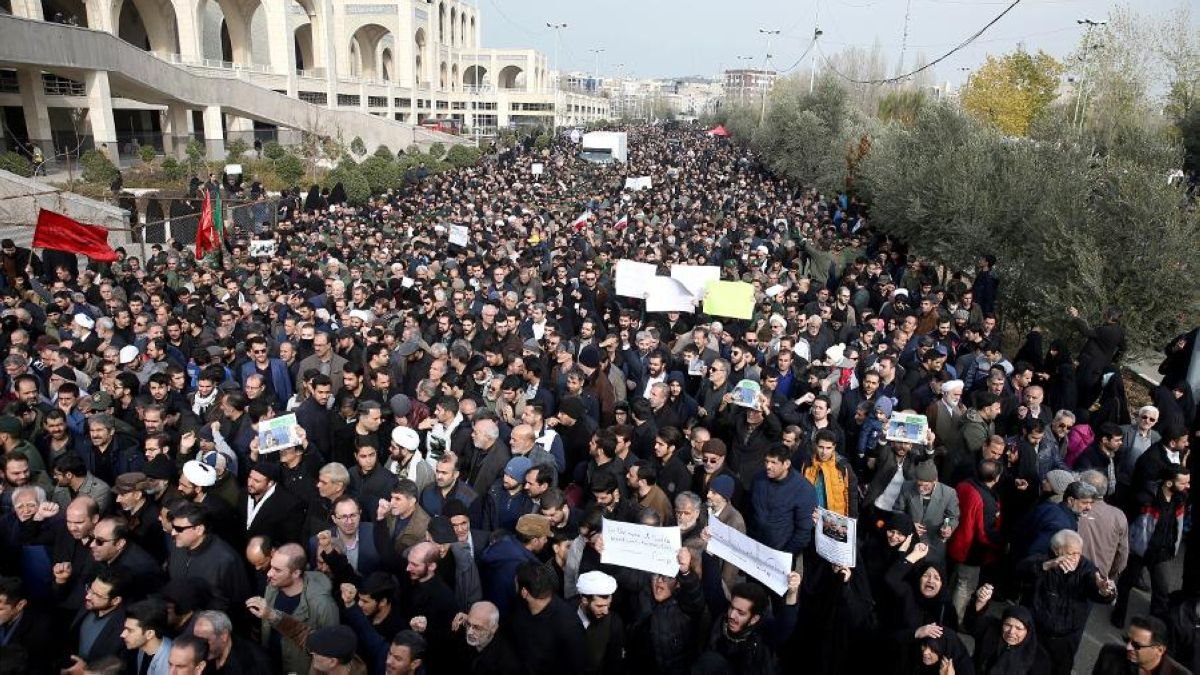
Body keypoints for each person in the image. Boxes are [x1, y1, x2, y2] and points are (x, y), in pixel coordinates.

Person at [1092, 615, 1192, 675]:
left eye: (1136, 645)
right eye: (1127, 640)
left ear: (1159, 650)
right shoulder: (1110, 655)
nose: (1128, 647)